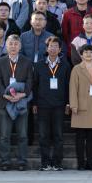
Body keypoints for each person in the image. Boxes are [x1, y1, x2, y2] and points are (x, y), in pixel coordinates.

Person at [0, 34, 33, 171]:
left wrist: (23, 94)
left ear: (20, 46)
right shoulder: (0, 61)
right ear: (6, 46)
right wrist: (5, 95)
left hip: (21, 101)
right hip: (4, 102)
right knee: (4, 135)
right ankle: (5, 161)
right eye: (10, 44)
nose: (13, 46)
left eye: (16, 44)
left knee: (23, 135)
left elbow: (30, 81)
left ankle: (22, 161)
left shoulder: (27, 62)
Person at [32, 36, 71, 171]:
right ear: (46, 48)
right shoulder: (39, 65)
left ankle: (57, 163)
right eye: (50, 46)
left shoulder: (65, 65)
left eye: (55, 46)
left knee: (58, 135)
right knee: (43, 135)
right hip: (43, 105)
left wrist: (67, 103)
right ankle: (45, 163)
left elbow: (68, 86)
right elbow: (35, 85)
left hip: (59, 105)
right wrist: (34, 103)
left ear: (60, 49)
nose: (53, 48)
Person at [68, 44, 92, 170]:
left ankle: (90, 162)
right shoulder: (76, 69)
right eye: (85, 52)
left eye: (91, 52)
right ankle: (81, 163)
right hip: (80, 107)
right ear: (81, 55)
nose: (88, 54)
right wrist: (73, 105)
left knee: (91, 138)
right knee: (80, 138)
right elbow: (73, 88)